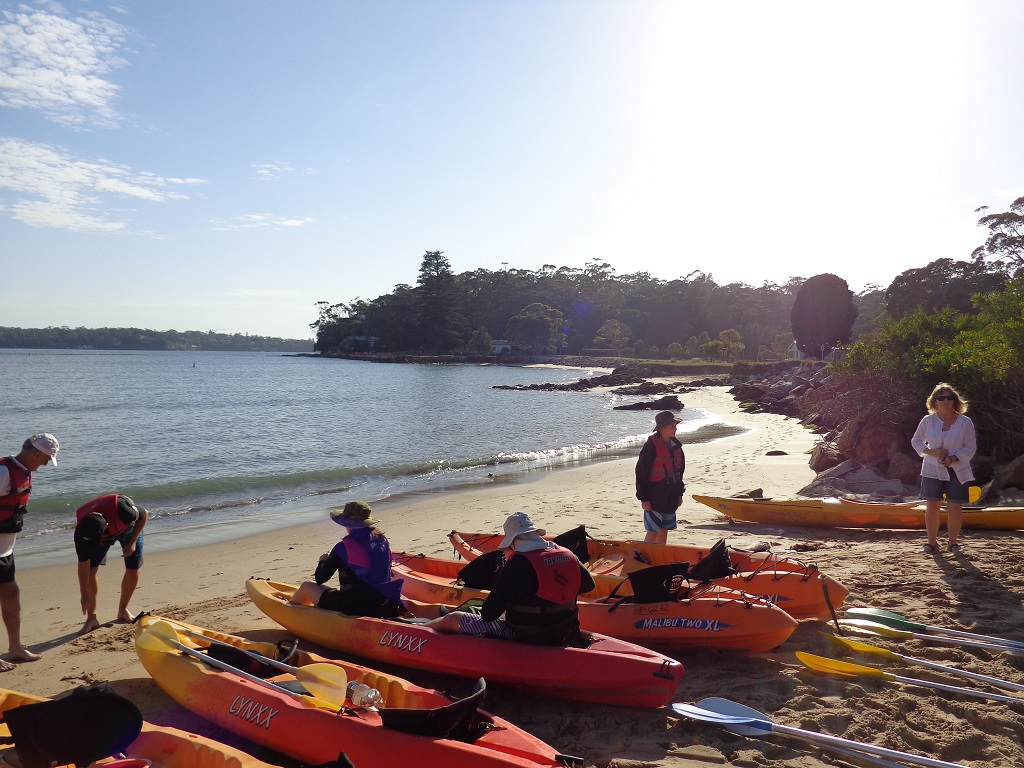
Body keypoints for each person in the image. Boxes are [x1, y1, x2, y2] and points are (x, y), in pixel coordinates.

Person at [428, 512, 596, 646]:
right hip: (565, 628)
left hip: (527, 636)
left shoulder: (518, 564)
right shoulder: (568, 554)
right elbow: (589, 585)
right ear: (536, 534)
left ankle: (418, 630)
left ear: (513, 542)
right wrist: (554, 592)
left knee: (453, 618)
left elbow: (487, 615)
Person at [0, 433, 59, 670]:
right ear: (35, 453)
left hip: (4, 549)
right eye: (45, 459)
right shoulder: (3, 471)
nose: (45, 464)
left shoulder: (23, 470)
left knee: (11, 594)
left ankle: (15, 647)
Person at [288, 501, 404, 618]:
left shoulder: (342, 548)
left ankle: (291, 611)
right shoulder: (382, 542)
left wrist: (323, 560)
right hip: (382, 603)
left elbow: (320, 578)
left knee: (307, 586)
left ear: (347, 524)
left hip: (353, 606)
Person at [911, 383, 976, 555]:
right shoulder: (928, 420)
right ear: (935, 401)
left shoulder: (965, 422)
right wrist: (931, 452)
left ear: (955, 401)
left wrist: (953, 458)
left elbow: (970, 447)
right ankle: (931, 543)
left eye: (949, 397)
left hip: (957, 469)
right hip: (932, 469)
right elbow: (916, 442)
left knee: (955, 507)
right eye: (941, 398)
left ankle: (953, 543)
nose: (946, 401)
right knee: (932, 506)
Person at [74, 493, 149, 634]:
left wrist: (132, 541)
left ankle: (123, 610)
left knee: (133, 568)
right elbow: (83, 564)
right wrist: (83, 593)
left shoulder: (124, 511)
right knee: (91, 571)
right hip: (100, 531)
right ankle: (91, 618)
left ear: (106, 526)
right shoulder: (82, 531)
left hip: (127, 528)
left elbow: (144, 514)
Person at [635, 410, 686, 544]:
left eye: (675, 425)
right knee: (653, 530)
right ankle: (645, 558)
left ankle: (660, 555)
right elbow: (641, 472)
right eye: (672, 425)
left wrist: (679, 494)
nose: (675, 428)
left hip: (671, 496)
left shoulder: (677, 447)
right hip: (654, 496)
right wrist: (644, 498)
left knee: (665, 528)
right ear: (662, 428)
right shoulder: (651, 446)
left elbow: (679, 472)